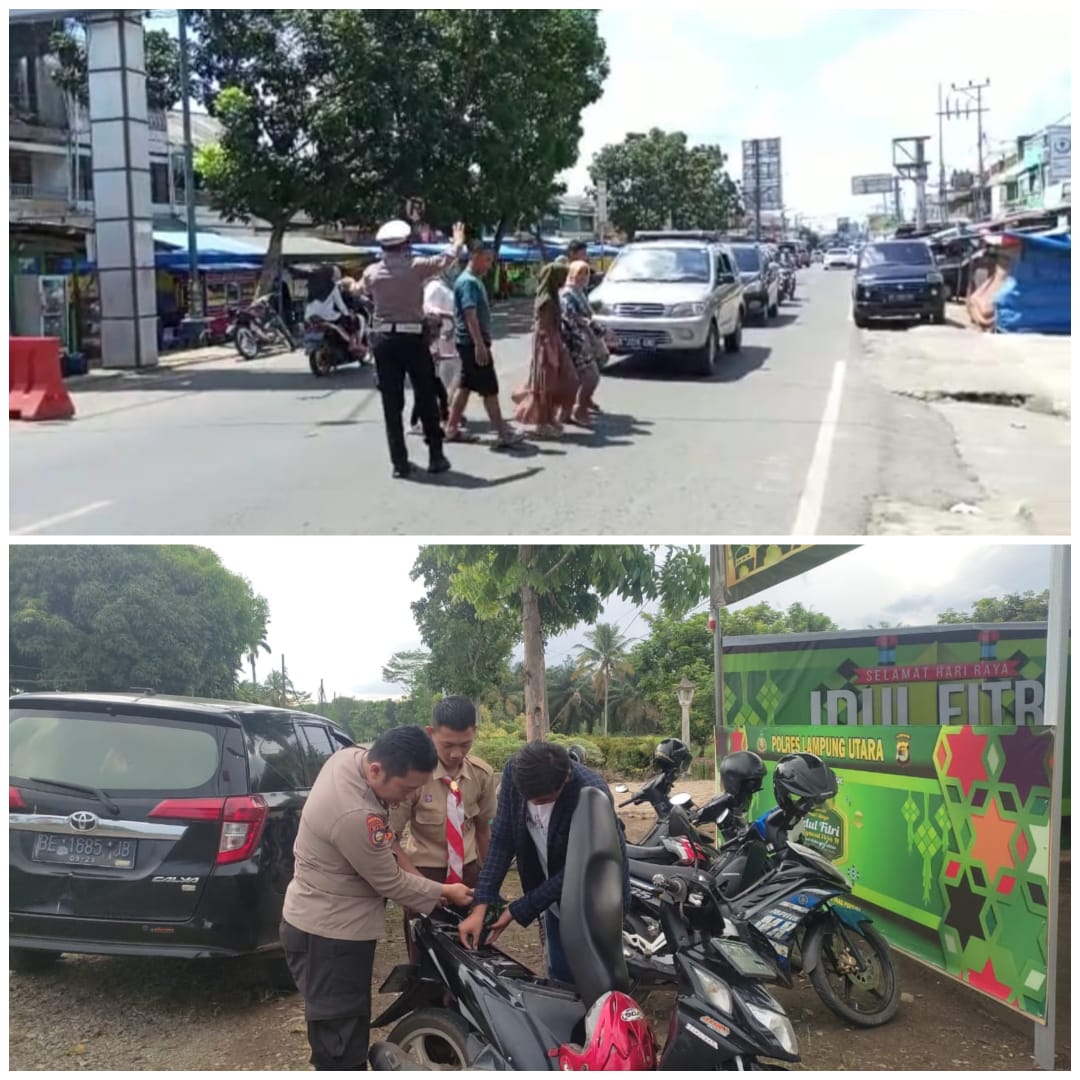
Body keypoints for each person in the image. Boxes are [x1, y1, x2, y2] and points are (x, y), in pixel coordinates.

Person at [280, 725, 473, 1071]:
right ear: (376, 770)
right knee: (340, 1040)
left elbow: (386, 855)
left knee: (342, 1024)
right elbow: (390, 883)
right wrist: (443, 891)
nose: (403, 799)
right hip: (330, 936)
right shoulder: (356, 816)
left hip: (322, 923)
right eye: (405, 789)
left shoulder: (347, 759)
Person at [458, 741, 630, 985]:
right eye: (531, 800)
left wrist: (516, 910)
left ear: (566, 778)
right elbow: (503, 839)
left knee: (596, 975)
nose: (536, 805)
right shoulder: (515, 772)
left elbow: (576, 870)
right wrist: (482, 902)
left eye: (544, 799)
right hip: (553, 897)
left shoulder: (591, 792)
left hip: (593, 897)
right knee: (559, 968)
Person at [389, 697, 497, 963]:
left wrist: (488, 884)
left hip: (470, 877)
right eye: (447, 745)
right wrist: (423, 887)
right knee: (428, 962)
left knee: (473, 960)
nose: (456, 754)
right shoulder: (413, 777)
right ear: (430, 733)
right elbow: (390, 839)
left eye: (465, 744)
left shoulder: (481, 775)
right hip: (426, 874)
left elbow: (483, 830)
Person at [362, 220, 467, 479]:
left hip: (384, 342)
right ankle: (436, 456)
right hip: (412, 340)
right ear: (406, 244)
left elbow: (363, 292)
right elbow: (447, 259)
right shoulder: (415, 266)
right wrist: (457, 240)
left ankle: (399, 463)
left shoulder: (372, 272)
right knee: (426, 396)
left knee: (391, 404)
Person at [444, 242, 523, 449]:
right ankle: (503, 433)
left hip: (468, 342)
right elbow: (470, 315)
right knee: (490, 389)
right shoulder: (468, 282)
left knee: (465, 386)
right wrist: (480, 344)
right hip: (472, 343)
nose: (489, 265)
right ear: (475, 256)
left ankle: (451, 428)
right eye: (487, 260)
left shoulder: (471, 280)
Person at [513, 263, 577, 438]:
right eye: (562, 276)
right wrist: (550, 351)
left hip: (553, 342)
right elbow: (543, 328)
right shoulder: (546, 300)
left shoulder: (553, 296)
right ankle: (542, 423)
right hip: (546, 345)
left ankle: (549, 418)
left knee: (553, 385)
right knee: (544, 387)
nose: (564, 280)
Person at [558, 259, 602, 427]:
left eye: (586, 274)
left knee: (578, 379)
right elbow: (571, 317)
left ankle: (569, 412)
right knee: (590, 377)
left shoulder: (579, 293)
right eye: (580, 274)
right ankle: (579, 410)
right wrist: (591, 326)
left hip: (582, 338)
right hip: (574, 340)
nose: (584, 277)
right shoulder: (568, 294)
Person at [304, 265, 354, 349]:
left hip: (309, 315)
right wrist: (347, 314)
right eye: (336, 276)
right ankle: (350, 344)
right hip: (326, 316)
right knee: (346, 322)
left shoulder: (312, 283)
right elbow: (340, 304)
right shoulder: (332, 286)